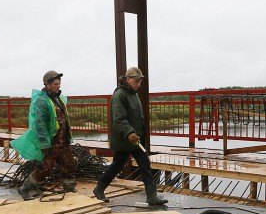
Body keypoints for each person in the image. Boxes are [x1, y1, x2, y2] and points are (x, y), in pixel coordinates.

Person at [93, 67, 168, 205]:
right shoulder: (120, 95)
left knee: (145, 164)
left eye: (140, 80)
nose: (139, 83)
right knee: (117, 165)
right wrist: (129, 132)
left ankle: (152, 196)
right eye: (136, 80)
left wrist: (136, 134)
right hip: (124, 138)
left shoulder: (133, 93)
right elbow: (119, 118)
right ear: (127, 79)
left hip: (135, 139)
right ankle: (99, 188)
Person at [10, 70, 77, 200]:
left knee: (69, 164)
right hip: (52, 142)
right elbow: (39, 124)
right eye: (55, 84)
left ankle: (69, 189)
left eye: (59, 83)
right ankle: (25, 188)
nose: (58, 86)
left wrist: (67, 137)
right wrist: (44, 143)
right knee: (45, 168)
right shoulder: (42, 100)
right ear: (47, 84)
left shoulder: (59, 98)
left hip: (63, 140)